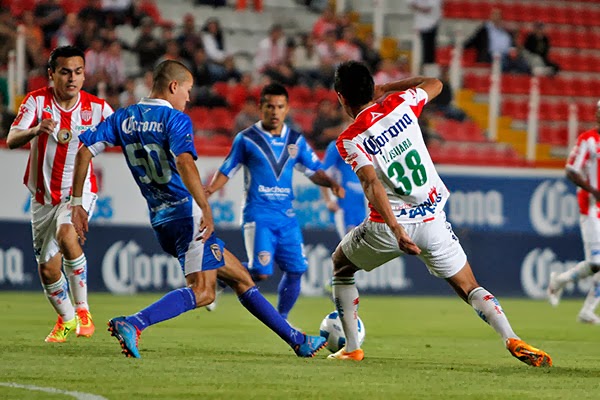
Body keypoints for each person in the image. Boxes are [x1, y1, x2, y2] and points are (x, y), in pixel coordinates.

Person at [70, 60, 327, 359]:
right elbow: (184, 162)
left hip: (160, 218)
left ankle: (297, 340)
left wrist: (77, 203)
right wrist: (205, 206)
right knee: (203, 291)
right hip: (187, 215)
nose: (189, 98)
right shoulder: (175, 120)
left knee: (241, 278)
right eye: (188, 90)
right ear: (173, 86)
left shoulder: (124, 117)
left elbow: (85, 149)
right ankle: (134, 322)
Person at [325, 60, 552, 367]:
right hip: (432, 219)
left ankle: (352, 347)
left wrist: (396, 229)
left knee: (341, 265)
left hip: (389, 228)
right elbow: (435, 83)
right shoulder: (400, 103)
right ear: (372, 86)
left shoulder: (350, 137)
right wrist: (389, 88)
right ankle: (510, 336)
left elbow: (371, 182)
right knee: (469, 286)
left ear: (340, 96)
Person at [206, 82, 344, 322]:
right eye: (269, 106)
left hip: (287, 216)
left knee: (297, 269)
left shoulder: (296, 141)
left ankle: (282, 320)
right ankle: (219, 278)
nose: (274, 111)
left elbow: (314, 170)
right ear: (261, 108)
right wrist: (209, 190)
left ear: (287, 109)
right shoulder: (246, 139)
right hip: (258, 214)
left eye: (279, 106)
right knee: (261, 272)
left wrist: (331, 184)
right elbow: (228, 169)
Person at [7, 45, 114, 343]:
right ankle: (66, 319)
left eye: (78, 72)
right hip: (42, 197)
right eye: (65, 72)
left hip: (78, 192)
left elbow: (122, 132)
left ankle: (82, 310)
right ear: (52, 74)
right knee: (47, 270)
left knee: (68, 235)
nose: (72, 79)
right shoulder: (36, 102)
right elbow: (12, 138)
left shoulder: (97, 108)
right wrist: (37, 130)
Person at [547, 100, 600, 324]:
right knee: (597, 262)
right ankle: (559, 281)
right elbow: (571, 170)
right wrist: (593, 190)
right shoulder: (588, 140)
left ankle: (587, 310)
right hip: (591, 206)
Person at [320, 135, 367, 241]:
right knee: (350, 242)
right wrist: (328, 200)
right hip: (346, 203)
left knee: (368, 243)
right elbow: (323, 175)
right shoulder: (337, 146)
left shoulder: (367, 143)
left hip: (365, 202)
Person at [408, 0, 442, 68]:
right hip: (420, 24)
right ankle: (423, 66)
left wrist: (417, 7)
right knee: (422, 49)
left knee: (429, 50)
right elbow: (410, 4)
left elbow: (428, 9)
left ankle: (428, 66)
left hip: (431, 23)